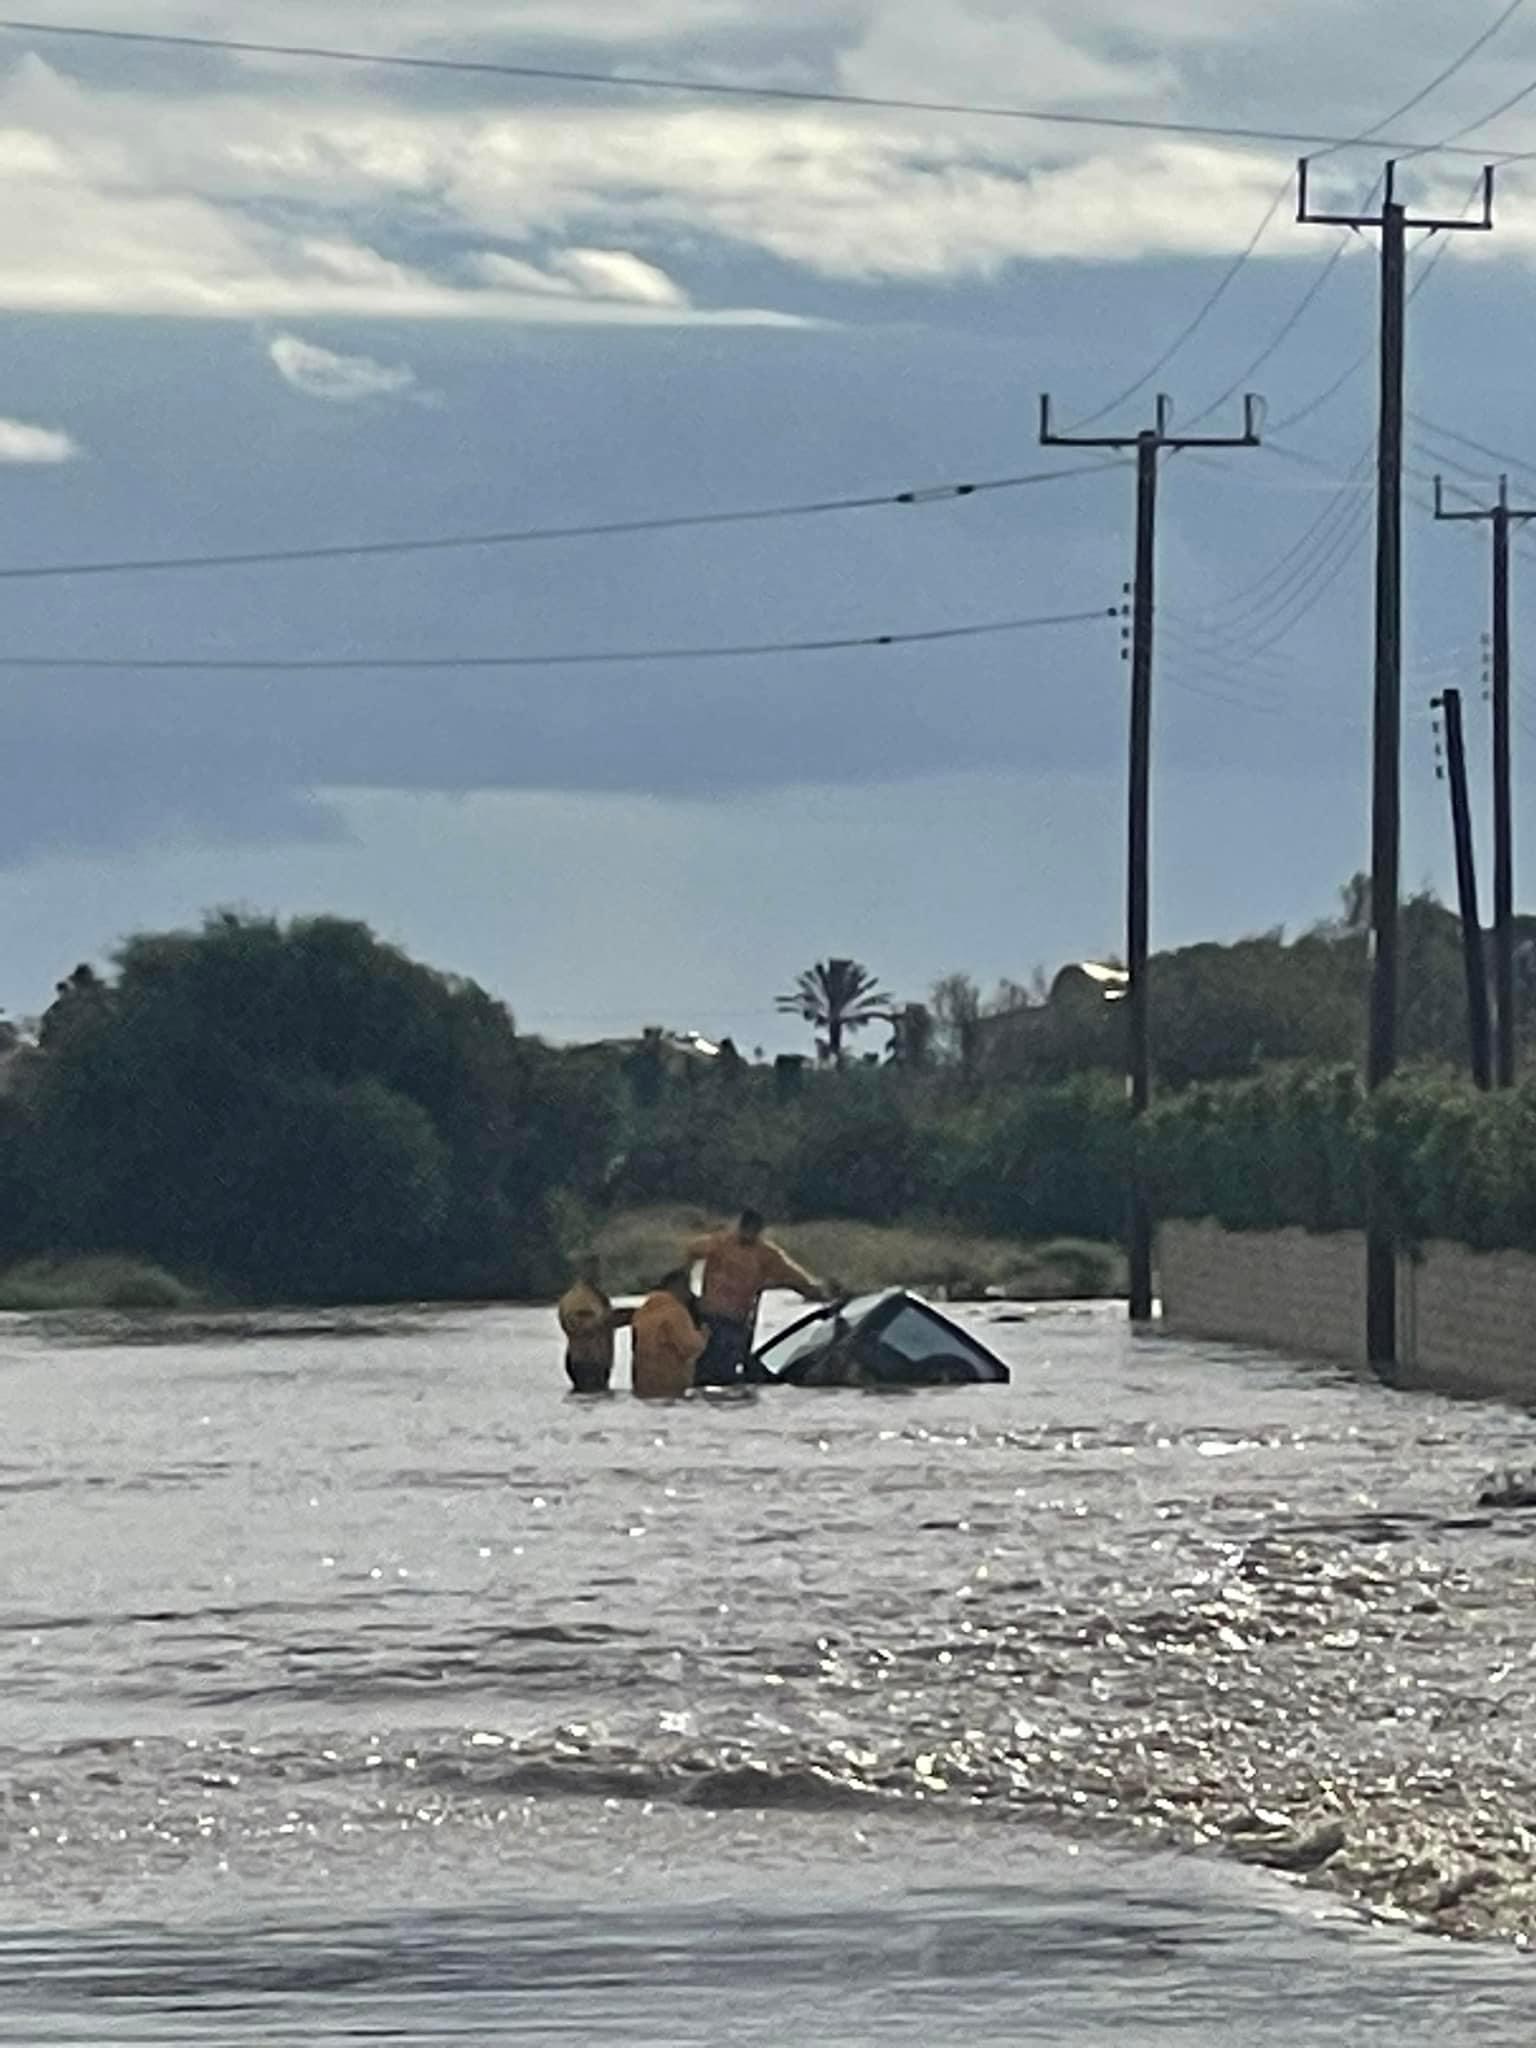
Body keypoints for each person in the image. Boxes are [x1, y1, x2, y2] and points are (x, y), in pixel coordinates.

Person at [686, 1209, 825, 1386]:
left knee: (728, 1367)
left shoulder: (765, 1254)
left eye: (753, 1230)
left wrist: (814, 1289)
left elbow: (792, 1275)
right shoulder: (719, 1243)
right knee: (708, 1367)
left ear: (759, 1231)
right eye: (745, 1228)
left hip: (738, 1320)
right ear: (740, 1226)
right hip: (711, 1316)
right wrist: (687, 1282)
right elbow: (691, 1250)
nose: (748, 1234)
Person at [630, 1268, 707, 1400]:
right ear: (677, 1287)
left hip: (642, 1385)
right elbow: (690, 1346)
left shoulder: (642, 1312)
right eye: (686, 1287)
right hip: (670, 1385)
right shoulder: (676, 1312)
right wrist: (704, 1335)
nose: (689, 1294)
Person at [556, 1256, 619, 1394]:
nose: (597, 1273)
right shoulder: (577, 1298)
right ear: (580, 1271)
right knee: (591, 1396)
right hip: (585, 1361)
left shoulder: (596, 1296)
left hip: (597, 1361)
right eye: (592, 1269)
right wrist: (609, 1319)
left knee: (599, 1396)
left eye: (597, 1269)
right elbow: (578, 1325)